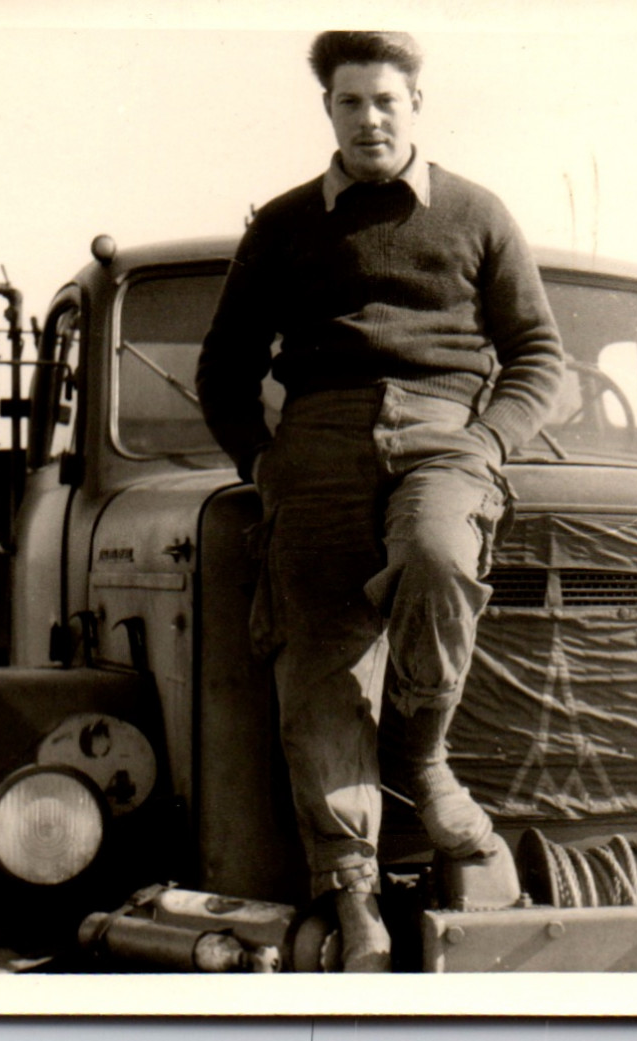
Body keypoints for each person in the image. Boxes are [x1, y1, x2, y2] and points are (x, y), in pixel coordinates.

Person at [195, 31, 563, 971]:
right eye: (350, 102)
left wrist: (487, 439)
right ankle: (350, 892)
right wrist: (263, 461)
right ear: (329, 112)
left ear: (416, 105)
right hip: (315, 442)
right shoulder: (281, 226)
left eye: (385, 101)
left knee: (441, 557)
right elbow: (225, 368)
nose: (369, 118)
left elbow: (537, 354)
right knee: (317, 662)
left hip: (445, 432)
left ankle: (420, 760)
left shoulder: (478, 214)